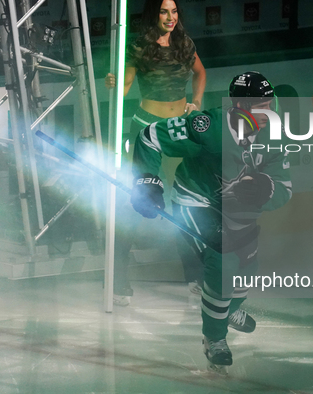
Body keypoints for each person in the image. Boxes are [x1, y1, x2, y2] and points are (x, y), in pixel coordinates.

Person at [129, 72, 292, 372]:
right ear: (240, 105)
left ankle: (227, 310)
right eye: (260, 105)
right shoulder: (208, 126)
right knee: (224, 261)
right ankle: (214, 338)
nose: (268, 112)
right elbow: (149, 137)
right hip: (196, 199)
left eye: (270, 104)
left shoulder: (274, 135)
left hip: (231, 207)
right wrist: (148, 181)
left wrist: (266, 189)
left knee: (249, 264)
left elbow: (285, 187)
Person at [105, 0, 207, 305]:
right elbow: (124, 88)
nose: (171, 17)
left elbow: (200, 73)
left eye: (174, 12)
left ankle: (196, 277)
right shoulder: (139, 46)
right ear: (154, 14)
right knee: (137, 201)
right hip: (147, 129)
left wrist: (197, 102)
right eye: (165, 11)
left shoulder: (184, 43)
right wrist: (114, 85)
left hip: (178, 130)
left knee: (184, 201)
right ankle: (117, 279)